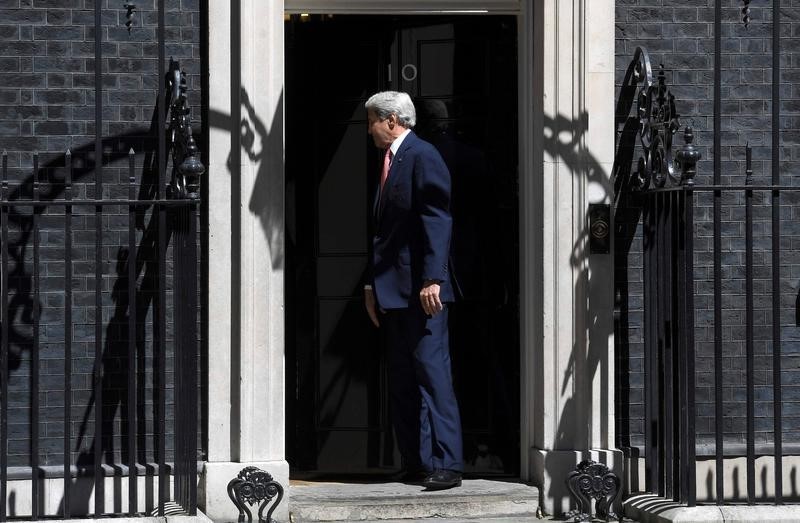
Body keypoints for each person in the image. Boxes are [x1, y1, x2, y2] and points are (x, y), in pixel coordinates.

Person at [363, 91, 463, 490]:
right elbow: (384, 234)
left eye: (371, 120)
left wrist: (433, 278)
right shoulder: (390, 160)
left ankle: (448, 463)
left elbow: (437, 219)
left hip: (424, 292)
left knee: (433, 376)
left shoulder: (423, 155)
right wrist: (372, 282)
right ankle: (417, 461)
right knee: (403, 380)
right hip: (393, 291)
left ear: (391, 120)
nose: (367, 128)